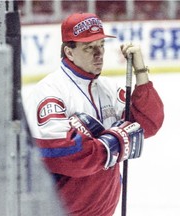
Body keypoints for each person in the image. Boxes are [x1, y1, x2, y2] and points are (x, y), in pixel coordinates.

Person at [24, 12, 164, 216]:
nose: (98, 54)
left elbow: (148, 123)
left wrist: (140, 71)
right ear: (69, 52)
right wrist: (116, 140)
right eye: (89, 47)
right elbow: (64, 155)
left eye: (101, 45)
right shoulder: (50, 92)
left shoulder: (106, 88)